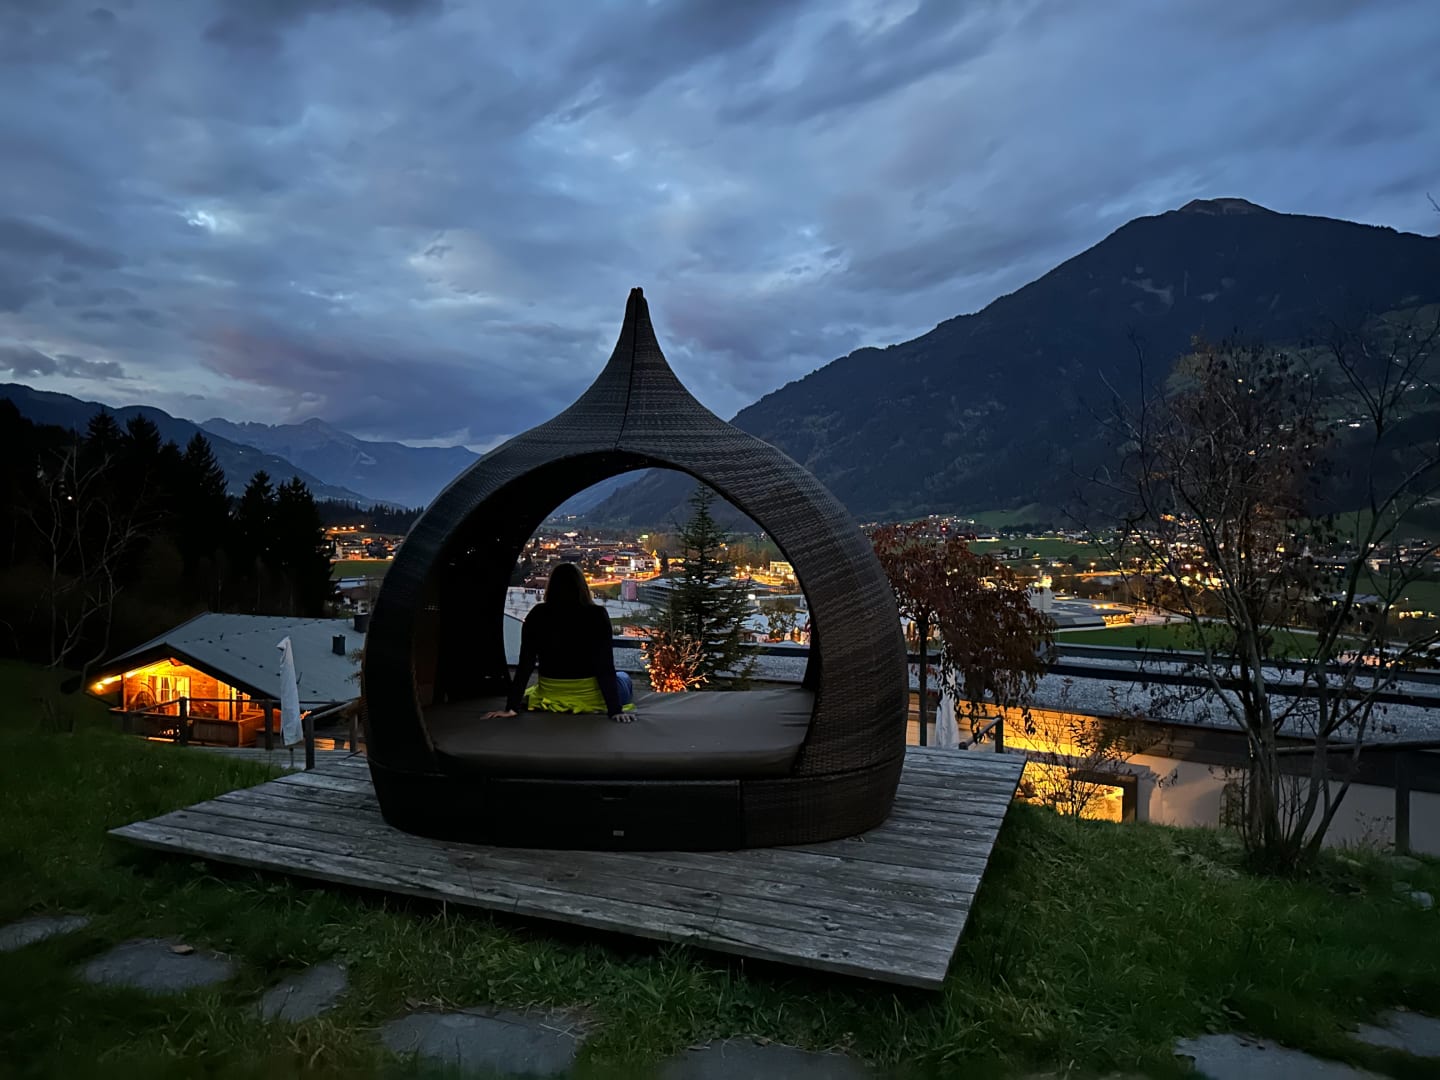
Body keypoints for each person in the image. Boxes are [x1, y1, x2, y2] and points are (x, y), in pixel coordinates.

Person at [483, 563, 635, 723]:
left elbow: (525, 664)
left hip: (551, 692)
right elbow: (605, 665)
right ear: (582, 586)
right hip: (588, 694)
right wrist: (615, 710)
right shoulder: (597, 614)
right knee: (623, 677)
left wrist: (511, 707)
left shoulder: (537, 614)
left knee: (533, 689)